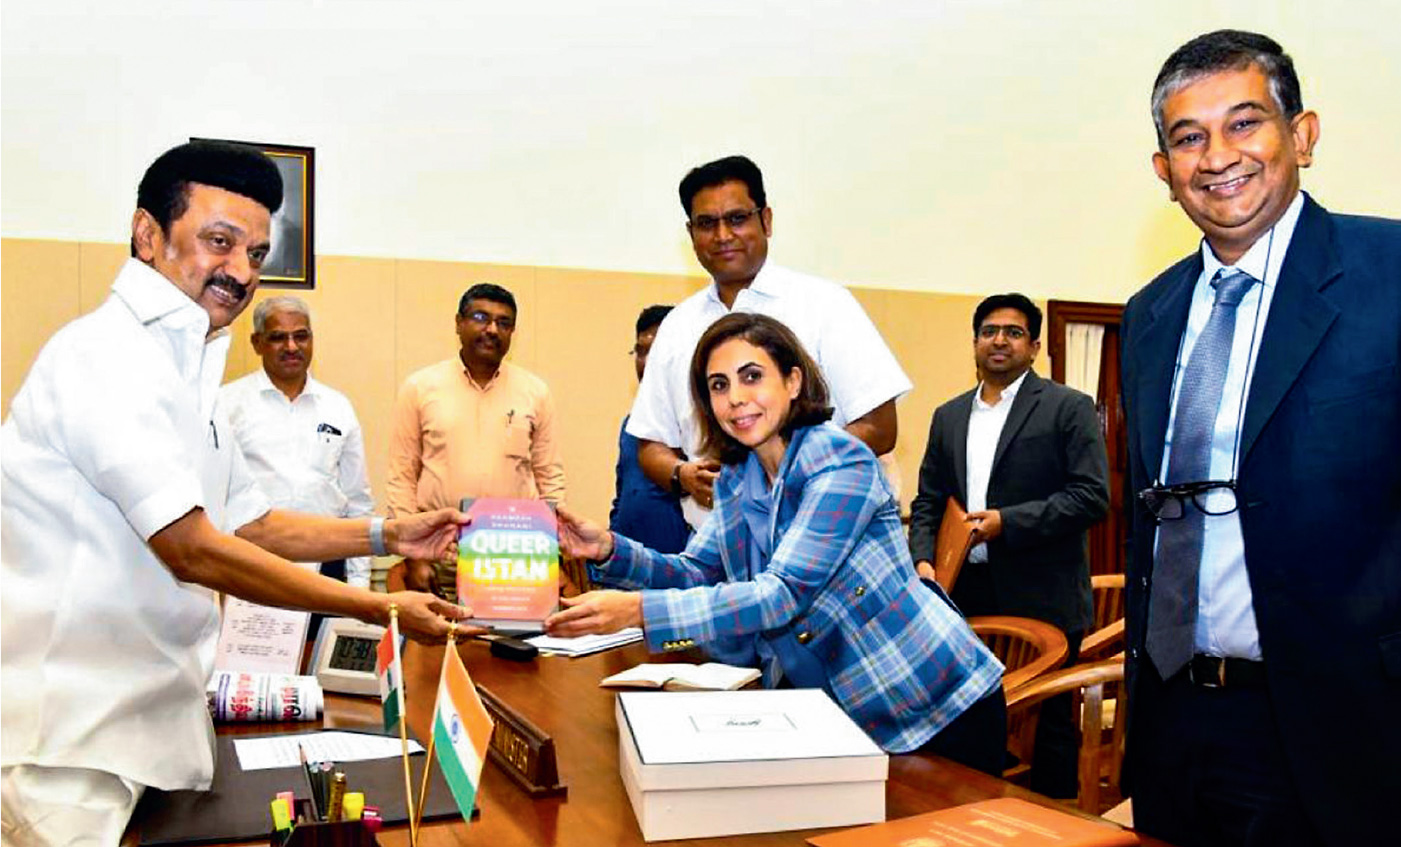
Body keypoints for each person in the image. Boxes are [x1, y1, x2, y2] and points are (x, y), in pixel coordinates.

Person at [0, 141, 473, 844]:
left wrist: (386, 536)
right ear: (147, 233)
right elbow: (192, 549)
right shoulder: (103, 355)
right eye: (219, 242)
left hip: (151, 732)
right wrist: (379, 604)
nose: (241, 271)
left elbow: (251, 524)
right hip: (66, 748)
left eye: (255, 252)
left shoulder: (193, 374)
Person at [1120, 30, 1401, 847]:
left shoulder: (1389, 273)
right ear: (1162, 170)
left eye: (1244, 123)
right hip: (1177, 724)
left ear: (1301, 135)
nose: (1217, 156)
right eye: (1187, 137)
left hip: (1351, 727)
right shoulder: (1147, 314)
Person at [547, 313, 1005, 773]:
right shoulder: (737, 477)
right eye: (719, 385)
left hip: (930, 706)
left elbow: (783, 593)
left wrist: (636, 611)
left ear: (792, 381)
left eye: (752, 377)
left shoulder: (840, 460)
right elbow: (698, 571)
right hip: (834, 716)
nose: (736, 399)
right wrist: (609, 549)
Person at [626, 155, 911, 530]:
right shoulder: (678, 326)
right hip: (722, 547)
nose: (723, 235)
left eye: (738, 218)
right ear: (691, 233)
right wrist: (682, 475)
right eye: (707, 223)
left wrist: (785, 472)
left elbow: (879, 426)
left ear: (767, 220)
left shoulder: (824, 303)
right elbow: (652, 444)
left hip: (828, 537)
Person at [908, 292, 1108, 797]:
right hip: (962, 592)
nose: (1000, 340)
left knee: (1051, 723)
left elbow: (1091, 497)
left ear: (1035, 346)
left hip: (1042, 592)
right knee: (972, 719)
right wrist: (923, 559)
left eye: (1014, 332)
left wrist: (1007, 523)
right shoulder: (948, 415)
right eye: (989, 331)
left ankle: (1056, 822)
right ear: (974, 343)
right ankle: (977, 812)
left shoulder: (1069, 407)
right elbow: (929, 499)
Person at [388, 283, 566, 596]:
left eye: (504, 322)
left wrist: (552, 554)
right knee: (437, 644)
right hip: (440, 555)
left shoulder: (535, 392)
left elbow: (550, 478)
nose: (492, 329)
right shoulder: (420, 388)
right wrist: (413, 555)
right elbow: (402, 477)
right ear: (459, 323)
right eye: (481, 317)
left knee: (512, 645)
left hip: (515, 558)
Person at [221, 296, 376, 590]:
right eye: (278, 338)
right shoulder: (228, 404)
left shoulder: (338, 407)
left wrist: (359, 583)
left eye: (301, 336)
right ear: (257, 343)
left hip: (327, 564)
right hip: (252, 563)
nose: (291, 347)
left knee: (320, 639)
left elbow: (358, 502)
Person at [609, 305, 690, 553]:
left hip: (677, 573)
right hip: (627, 567)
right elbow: (622, 495)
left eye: (654, 352)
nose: (645, 363)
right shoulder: (630, 425)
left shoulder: (696, 426)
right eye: (640, 352)